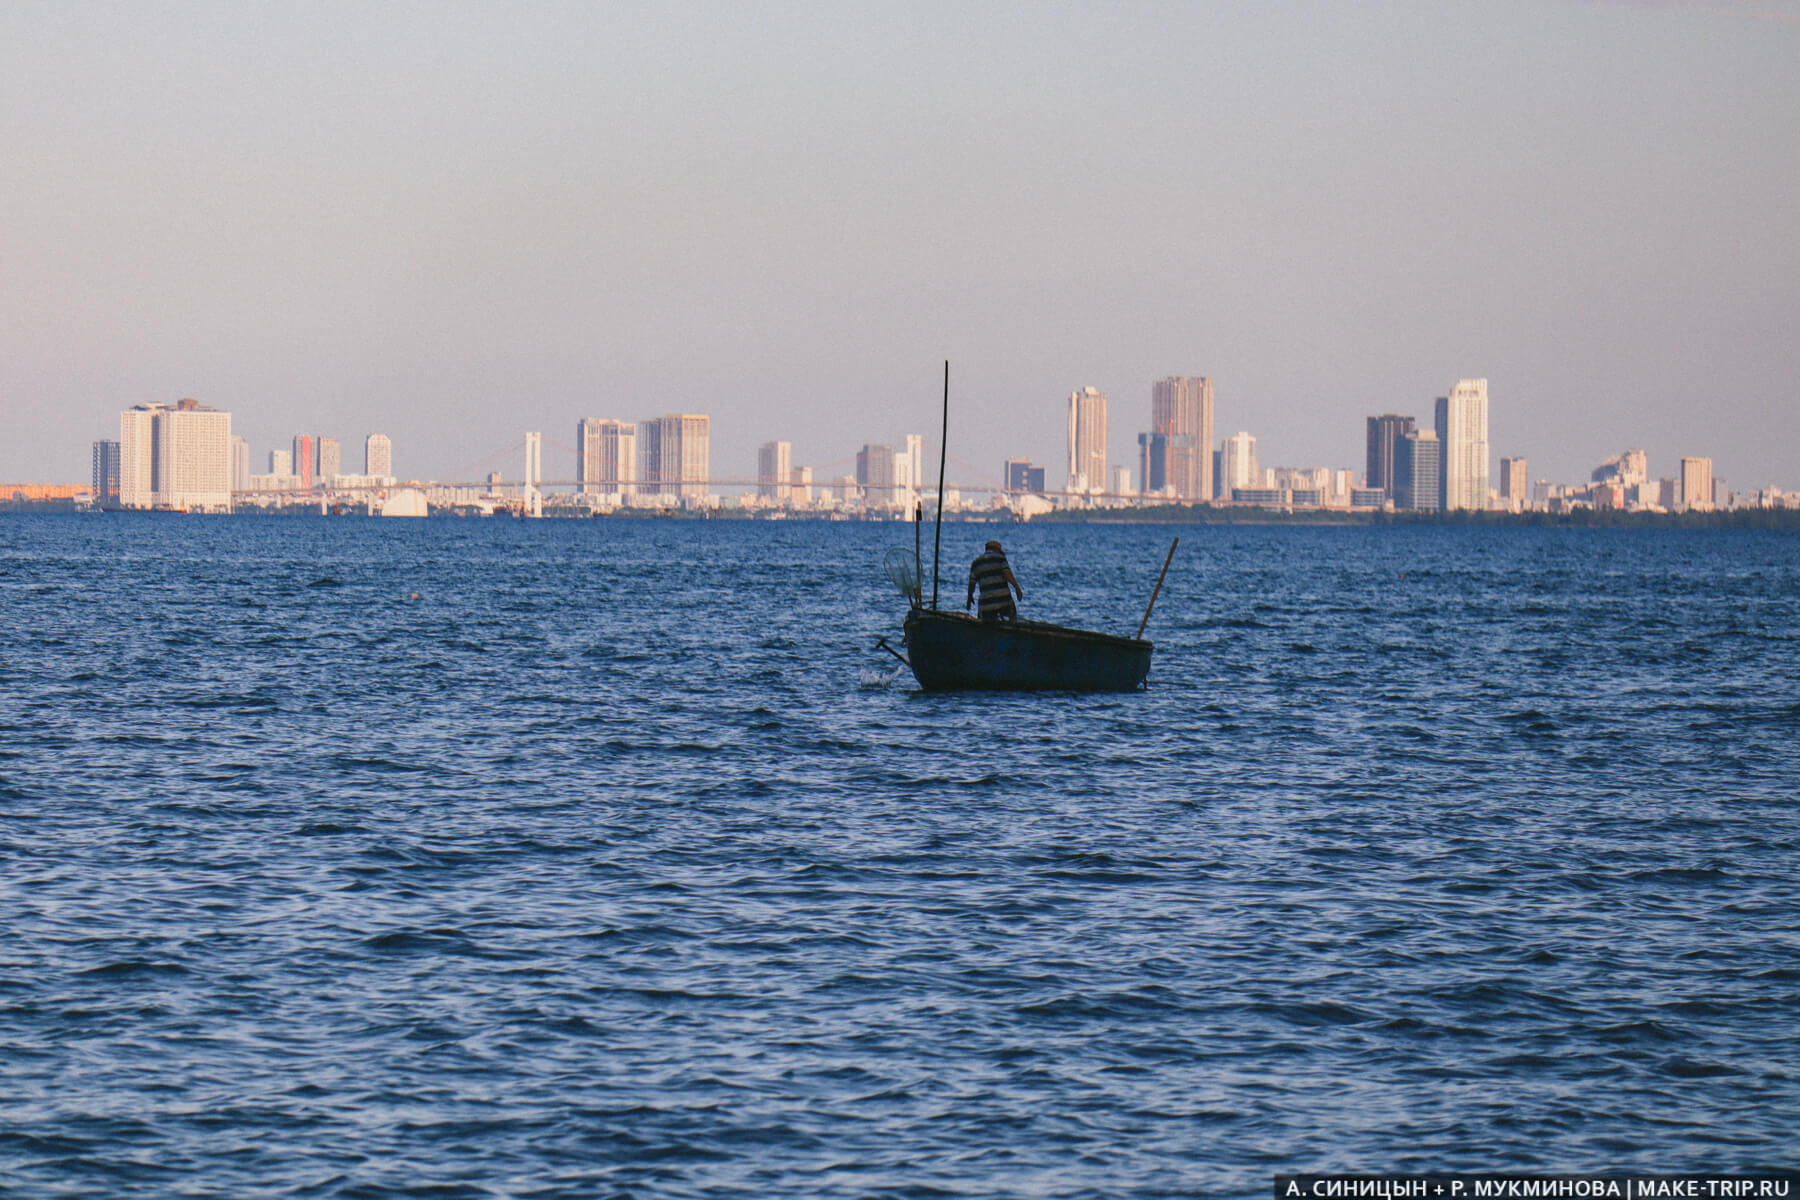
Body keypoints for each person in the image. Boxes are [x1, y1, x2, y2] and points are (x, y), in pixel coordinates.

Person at [966, 539, 1023, 622]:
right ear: (996, 550)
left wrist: (969, 598)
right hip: (1004, 602)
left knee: (984, 623)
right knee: (1012, 617)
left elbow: (972, 584)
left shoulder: (976, 563)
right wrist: (1017, 588)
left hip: (985, 604)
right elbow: (1008, 575)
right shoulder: (1000, 558)